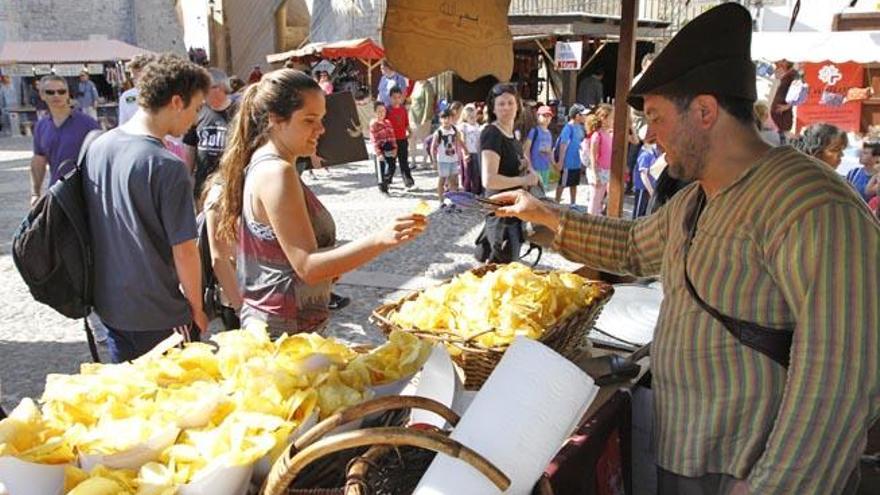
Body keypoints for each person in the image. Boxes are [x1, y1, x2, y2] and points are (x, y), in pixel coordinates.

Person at [490, 4, 878, 494]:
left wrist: (776, 485)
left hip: (749, 468)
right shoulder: (697, 198)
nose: (649, 135)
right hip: (691, 448)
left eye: (656, 118)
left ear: (705, 111)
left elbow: (841, 371)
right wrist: (546, 214)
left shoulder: (811, 206)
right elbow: (634, 247)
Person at [215, 68, 426, 337]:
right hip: (286, 331)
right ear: (275, 120)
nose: (321, 129)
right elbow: (307, 266)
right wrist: (381, 239)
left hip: (282, 322)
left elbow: (288, 258)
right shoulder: (277, 172)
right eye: (309, 120)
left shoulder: (267, 163)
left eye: (322, 119)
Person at [83, 54, 212, 362]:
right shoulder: (168, 166)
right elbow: (185, 250)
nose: (195, 120)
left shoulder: (98, 146)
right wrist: (196, 308)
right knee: (170, 403)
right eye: (196, 108)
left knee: (130, 399)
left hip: (111, 305)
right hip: (159, 312)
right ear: (177, 102)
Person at [479, 82, 540, 263]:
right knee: (502, 270)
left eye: (510, 103)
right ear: (493, 108)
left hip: (515, 212)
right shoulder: (492, 133)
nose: (506, 108)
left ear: (518, 106)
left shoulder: (512, 135)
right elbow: (489, 180)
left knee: (509, 264)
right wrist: (523, 180)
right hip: (501, 214)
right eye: (501, 104)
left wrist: (528, 169)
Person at [30, 75, 101, 206]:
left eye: (61, 91)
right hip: (57, 192)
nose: (56, 95)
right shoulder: (41, 126)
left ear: (68, 94)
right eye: (50, 92)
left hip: (87, 194)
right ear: (42, 95)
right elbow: (39, 159)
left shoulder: (88, 124)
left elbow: (103, 159)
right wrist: (35, 193)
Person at [183, 68, 239, 203]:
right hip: (203, 186)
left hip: (231, 186)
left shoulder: (239, 111)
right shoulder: (198, 112)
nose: (200, 95)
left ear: (218, 88)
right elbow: (190, 146)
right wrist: (187, 177)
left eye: (203, 89)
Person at [431, 108, 467, 210]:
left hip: (453, 159)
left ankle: (453, 201)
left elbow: (459, 142)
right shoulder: (438, 132)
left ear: (452, 119)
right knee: (442, 180)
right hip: (442, 160)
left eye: (449, 118)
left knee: (454, 181)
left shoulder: (455, 130)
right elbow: (433, 147)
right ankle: (441, 201)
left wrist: (465, 152)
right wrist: (433, 161)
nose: (446, 120)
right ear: (440, 119)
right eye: (444, 118)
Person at [554, 104, 588, 204]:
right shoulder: (568, 128)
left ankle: (573, 203)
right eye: (583, 115)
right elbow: (563, 145)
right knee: (562, 183)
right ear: (577, 116)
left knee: (574, 183)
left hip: (576, 162)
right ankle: (557, 202)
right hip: (567, 162)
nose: (585, 117)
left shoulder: (580, 128)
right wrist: (560, 161)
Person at [586, 103, 613, 216]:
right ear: (604, 118)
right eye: (611, 117)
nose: (612, 120)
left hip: (605, 171)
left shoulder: (607, 133)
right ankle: (590, 222)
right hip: (598, 171)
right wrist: (595, 175)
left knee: (599, 199)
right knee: (594, 199)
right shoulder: (597, 135)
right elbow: (593, 156)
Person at [386, 86, 415, 189]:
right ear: (390, 97)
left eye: (399, 97)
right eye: (394, 97)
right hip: (391, 140)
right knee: (391, 162)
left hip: (402, 139)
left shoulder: (403, 109)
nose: (396, 99)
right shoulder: (387, 110)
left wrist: (409, 131)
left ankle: (408, 181)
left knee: (404, 161)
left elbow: (406, 123)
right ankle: (387, 180)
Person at [118, 54, 155, 126]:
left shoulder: (165, 94)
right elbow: (123, 124)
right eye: (133, 78)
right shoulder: (127, 97)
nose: (135, 81)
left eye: (138, 77)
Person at [370, 101, 398, 195]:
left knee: (392, 166)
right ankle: (383, 187)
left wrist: (395, 148)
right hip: (380, 148)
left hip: (389, 147)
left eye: (383, 111)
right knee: (381, 169)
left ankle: (386, 181)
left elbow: (392, 136)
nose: (381, 113)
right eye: (379, 111)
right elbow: (374, 140)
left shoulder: (388, 122)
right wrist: (378, 153)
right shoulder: (374, 124)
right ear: (375, 112)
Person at [524, 105, 554, 190]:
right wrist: (530, 167)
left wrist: (554, 165)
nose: (547, 118)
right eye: (544, 115)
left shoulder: (549, 133)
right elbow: (526, 150)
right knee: (534, 193)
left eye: (549, 116)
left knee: (543, 192)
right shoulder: (534, 131)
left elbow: (550, 151)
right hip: (535, 168)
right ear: (538, 116)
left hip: (546, 168)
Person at [632, 127, 659, 219]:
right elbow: (643, 175)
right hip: (643, 188)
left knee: (644, 211)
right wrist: (651, 190)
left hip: (648, 187)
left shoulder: (652, 152)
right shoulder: (645, 154)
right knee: (639, 212)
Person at [408, 79, 436, 167]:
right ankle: (413, 160)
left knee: (424, 140)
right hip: (412, 116)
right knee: (411, 139)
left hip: (422, 117)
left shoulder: (428, 86)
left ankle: (424, 161)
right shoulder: (416, 83)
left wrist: (425, 118)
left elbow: (429, 104)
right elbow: (412, 99)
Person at [459, 103, 483, 195]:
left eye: (473, 116)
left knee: (476, 173)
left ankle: (476, 192)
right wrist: (465, 153)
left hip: (477, 152)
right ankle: (466, 192)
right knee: (468, 174)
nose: (472, 118)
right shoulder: (464, 126)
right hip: (468, 152)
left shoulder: (478, 126)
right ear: (466, 117)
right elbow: (462, 140)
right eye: (469, 116)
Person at [770, 60, 796, 143]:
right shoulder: (786, 74)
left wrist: (788, 106)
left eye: (783, 61)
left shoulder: (792, 75)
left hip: (783, 115)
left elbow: (800, 93)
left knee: (782, 139)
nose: (779, 63)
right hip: (776, 113)